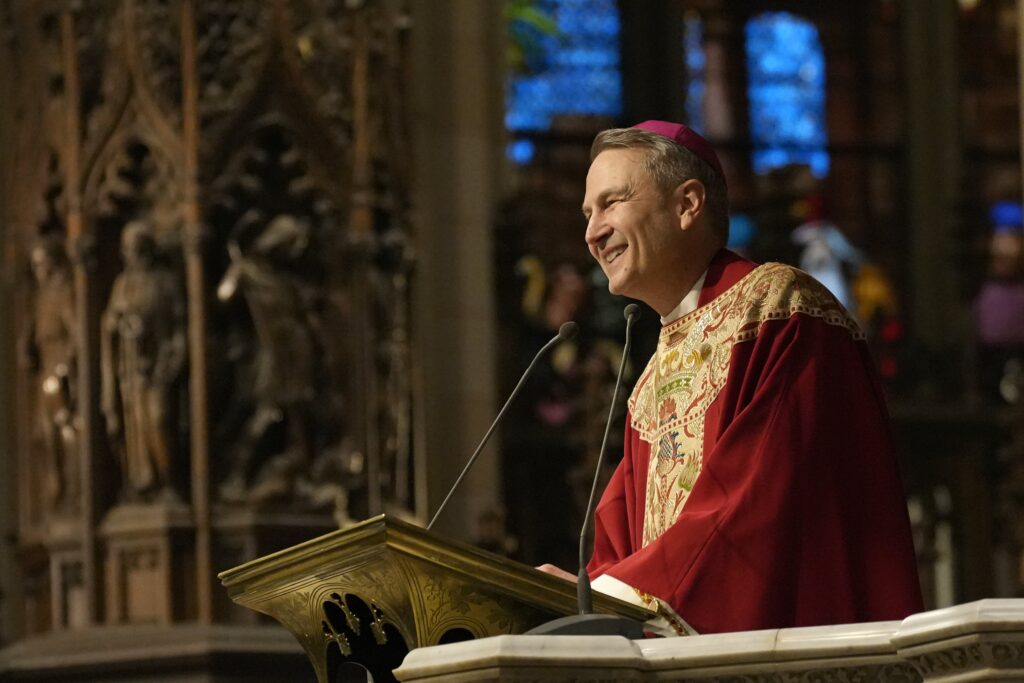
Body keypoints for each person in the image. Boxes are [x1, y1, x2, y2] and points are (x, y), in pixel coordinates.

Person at [537, 121, 923, 635]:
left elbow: (759, 498)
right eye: (588, 213)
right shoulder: (654, 374)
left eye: (612, 203)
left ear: (687, 204)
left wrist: (610, 596)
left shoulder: (779, 310)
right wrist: (579, 594)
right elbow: (617, 538)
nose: (592, 232)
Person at [101, 221, 187, 500]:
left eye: (136, 248)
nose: (131, 254)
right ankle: (143, 483)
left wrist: (173, 359)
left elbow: (179, 325)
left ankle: (169, 481)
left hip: (159, 365)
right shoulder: (122, 284)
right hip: (131, 367)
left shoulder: (165, 281)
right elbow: (110, 320)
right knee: (135, 424)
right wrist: (118, 323)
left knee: (159, 419)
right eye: (127, 249)